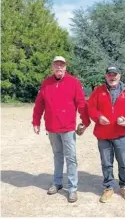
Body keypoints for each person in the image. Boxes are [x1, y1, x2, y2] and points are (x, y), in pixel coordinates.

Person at [32, 56, 90, 203]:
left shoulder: (74, 82)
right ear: (52, 67)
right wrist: (36, 121)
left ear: (65, 67)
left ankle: (72, 188)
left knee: (71, 158)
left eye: (61, 65)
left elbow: (81, 103)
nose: (59, 67)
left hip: (68, 128)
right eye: (56, 65)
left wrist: (85, 120)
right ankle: (57, 182)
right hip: (52, 128)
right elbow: (39, 104)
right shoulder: (46, 83)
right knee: (57, 156)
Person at [87, 66, 125, 203]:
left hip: (121, 135)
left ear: (119, 76)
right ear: (106, 77)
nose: (112, 77)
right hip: (103, 135)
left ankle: (124, 186)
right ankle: (109, 187)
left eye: (115, 74)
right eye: (110, 75)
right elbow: (91, 108)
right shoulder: (98, 91)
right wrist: (98, 117)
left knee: (123, 163)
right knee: (106, 163)